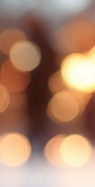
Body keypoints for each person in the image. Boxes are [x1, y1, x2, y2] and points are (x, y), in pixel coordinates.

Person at [24, 13, 59, 147]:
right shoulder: (45, 41)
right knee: (40, 116)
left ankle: (36, 142)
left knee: (35, 116)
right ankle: (40, 142)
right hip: (42, 87)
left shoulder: (33, 41)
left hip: (35, 87)